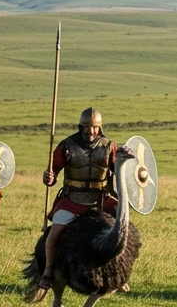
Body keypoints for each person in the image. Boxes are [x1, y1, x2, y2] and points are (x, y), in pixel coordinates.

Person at [38, 107, 118, 291]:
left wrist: (127, 158)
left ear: (100, 128)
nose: (91, 131)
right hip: (72, 199)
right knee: (55, 232)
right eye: (87, 127)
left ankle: (117, 273)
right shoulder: (67, 145)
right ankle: (48, 271)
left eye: (95, 127)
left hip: (101, 199)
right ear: (80, 126)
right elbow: (53, 172)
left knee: (122, 230)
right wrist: (49, 177)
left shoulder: (109, 146)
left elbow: (121, 170)